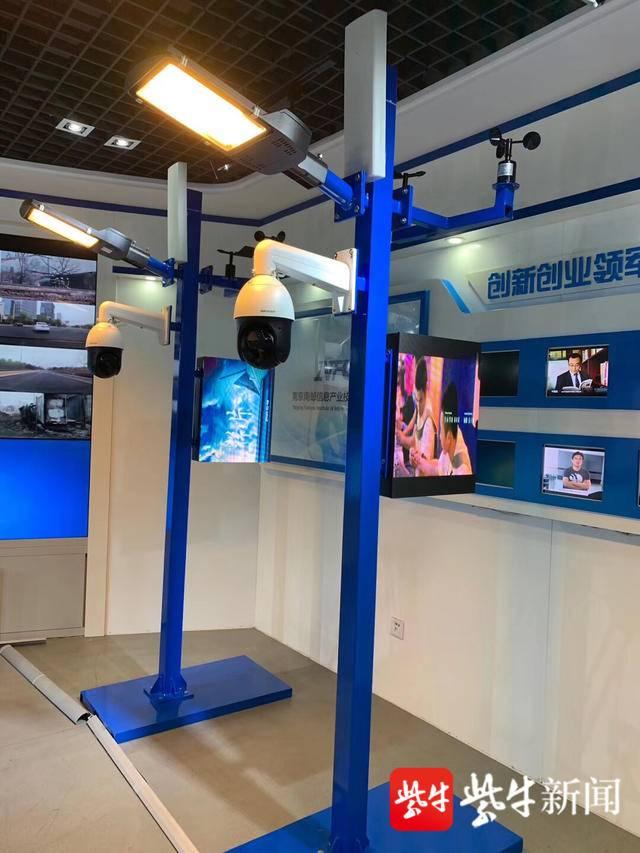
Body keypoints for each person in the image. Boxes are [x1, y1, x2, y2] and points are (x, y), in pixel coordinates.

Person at [411, 381, 472, 476]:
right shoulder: (453, 437)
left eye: (441, 432)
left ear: (448, 437)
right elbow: (437, 468)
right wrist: (418, 460)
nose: (439, 436)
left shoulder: (462, 471)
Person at [399, 357, 436, 475]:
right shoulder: (419, 404)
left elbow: (425, 465)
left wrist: (401, 438)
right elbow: (414, 439)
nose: (418, 404)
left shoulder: (428, 422)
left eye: (419, 400)